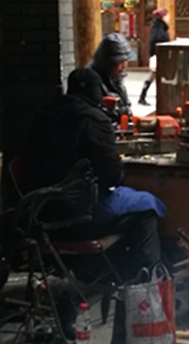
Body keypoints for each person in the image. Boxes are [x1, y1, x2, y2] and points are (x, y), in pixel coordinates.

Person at [27, 68, 165, 278]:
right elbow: (112, 176)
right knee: (147, 205)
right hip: (80, 214)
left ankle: (102, 270)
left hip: (42, 211)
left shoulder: (42, 115)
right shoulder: (92, 120)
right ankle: (147, 280)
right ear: (95, 91)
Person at [90, 32, 132, 116]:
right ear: (108, 62)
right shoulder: (91, 81)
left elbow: (126, 104)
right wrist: (121, 112)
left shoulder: (115, 77)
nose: (124, 66)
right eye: (120, 62)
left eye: (126, 60)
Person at [138, 7, 171, 106]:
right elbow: (157, 43)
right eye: (167, 16)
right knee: (160, 78)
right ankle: (160, 99)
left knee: (153, 77)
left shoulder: (158, 27)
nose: (169, 18)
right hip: (160, 57)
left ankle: (143, 97)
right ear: (163, 17)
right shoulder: (160, 30)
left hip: (156, 56)